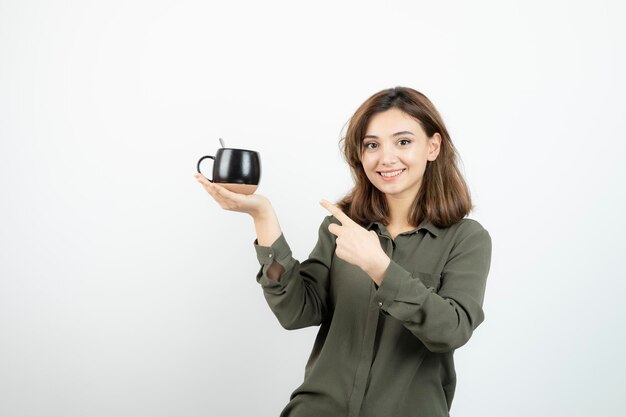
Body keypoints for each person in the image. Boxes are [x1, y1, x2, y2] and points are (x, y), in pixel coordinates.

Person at [194, 86, 492, 417]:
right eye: (372, 145)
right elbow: (297, 312)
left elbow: (451, 330)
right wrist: (262, 215)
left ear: (433, 146)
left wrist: (381, 267)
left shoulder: (466, 239)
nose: (386, 158)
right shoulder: (340, 227)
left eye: (403, 141)